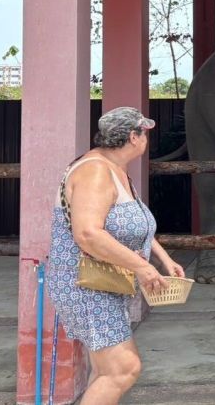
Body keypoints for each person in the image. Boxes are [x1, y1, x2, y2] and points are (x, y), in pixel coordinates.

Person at [47, 106, 186, 405]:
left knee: (105, 371)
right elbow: (88, 234)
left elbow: (133, 224)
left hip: (104, 285)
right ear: (133, 137)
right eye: (144, 132)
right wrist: (142, 267)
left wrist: (161, 258)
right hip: (84, 286)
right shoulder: (95, 172)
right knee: (123, 369)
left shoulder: (114, 168)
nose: (146, 138)